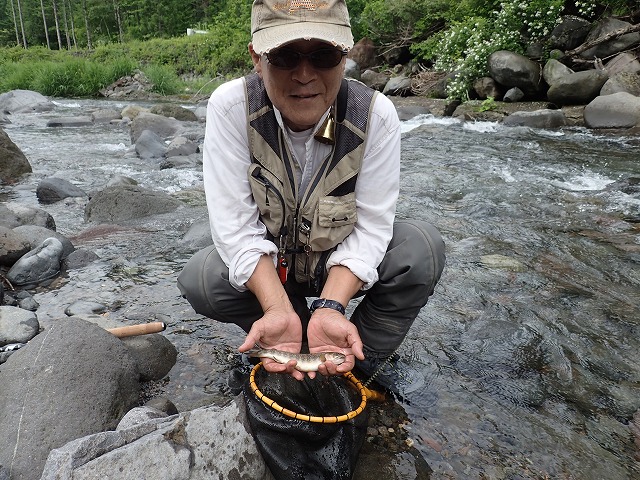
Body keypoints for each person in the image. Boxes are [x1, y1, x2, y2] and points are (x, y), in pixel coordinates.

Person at [178, 0, 445, 394]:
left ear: (344, 56)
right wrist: (276, 307)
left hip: (335, 270)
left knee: (420, 250)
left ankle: (354, 362)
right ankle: (288, 329)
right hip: (275, 273)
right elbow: (235, 229)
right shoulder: (231, 107)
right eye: (285, 56)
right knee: (202, 278)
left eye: (323, 55)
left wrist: (332, 307)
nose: (305, 75)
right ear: (257, 57)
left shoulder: (376, 115)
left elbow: (372, 228)